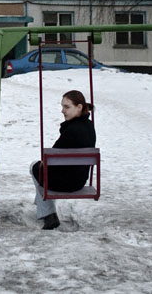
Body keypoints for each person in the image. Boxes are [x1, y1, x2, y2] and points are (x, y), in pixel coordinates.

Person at [30, 90, 96, 230]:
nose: (62, 110)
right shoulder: (89, 126)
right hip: (79, 181)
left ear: (79, 107)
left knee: (35, 167)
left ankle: (48, 214)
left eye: (67, 107)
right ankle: (44, 207)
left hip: (65, 183)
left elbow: (49, 159)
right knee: (43, 171)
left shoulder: (71, 131)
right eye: (62, 106)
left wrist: (41, 164)